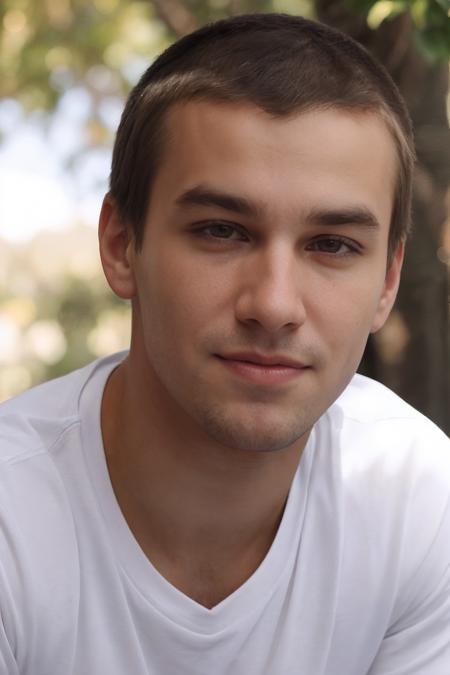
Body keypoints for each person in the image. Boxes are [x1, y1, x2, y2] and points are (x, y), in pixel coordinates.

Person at [0, 12, 449, 675]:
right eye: (221, 231)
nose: (272, 304)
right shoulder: (13, 512)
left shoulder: (416, 497)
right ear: (122, 246)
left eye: (331, 245)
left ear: (386, 280)